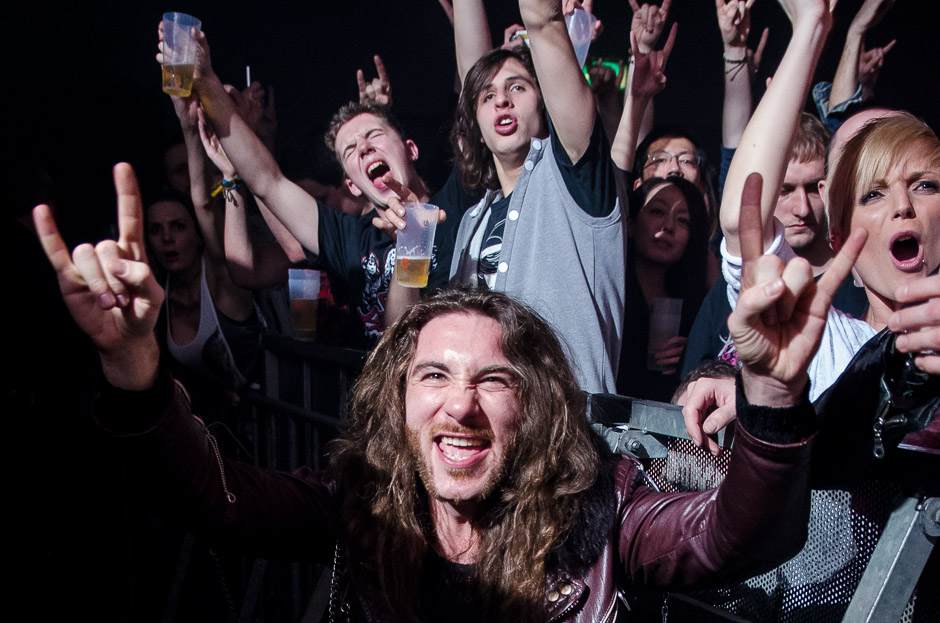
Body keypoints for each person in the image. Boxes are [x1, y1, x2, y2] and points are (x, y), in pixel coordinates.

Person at [34, 160, 870, 622]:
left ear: (534, 404)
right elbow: (218, 502)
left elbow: (739, 537)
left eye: (493, 379)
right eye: (433, 375)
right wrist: (138, 373)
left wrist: (771, 392)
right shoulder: (364, 501)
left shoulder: (601, 512)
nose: (459, 405)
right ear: (399, 400)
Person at [160, 26, 477, 341]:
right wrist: (207, 83)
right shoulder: (349, 238)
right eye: (349, 150)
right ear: (352, 185)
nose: (363, 148)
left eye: (374, 135)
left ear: (411, 150)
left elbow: (475, 99)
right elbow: (268, 181)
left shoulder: (457, 204)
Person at [447, 0, 625, 394]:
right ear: (477, 128)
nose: (502, 100)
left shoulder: (574, 175)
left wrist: (548, 20)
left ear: (545, 104)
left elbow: (542, 21)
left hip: (567, 422)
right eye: (487, 96)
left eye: (517, 87)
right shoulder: (472, 221)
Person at [617, 176, 710, 401]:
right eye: (657, 211)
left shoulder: (696, 306)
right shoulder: (611, 288)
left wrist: (692, 353)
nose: (668, 226)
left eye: (683, 220)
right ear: (630, 223)